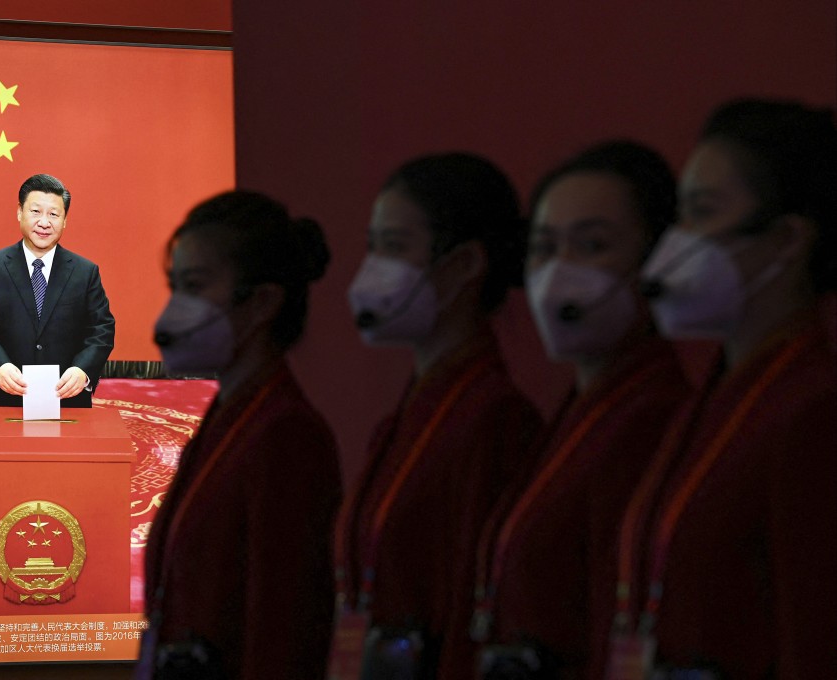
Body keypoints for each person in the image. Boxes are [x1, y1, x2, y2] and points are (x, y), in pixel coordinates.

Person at [604, 98, 837, 679]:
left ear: (787, 239)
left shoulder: (812, 407)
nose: (677, 244)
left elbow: (814, 637)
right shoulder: (711, 399)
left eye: (701, 213)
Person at [468, 141, 690, 680]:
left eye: (592, 246)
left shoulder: (651, 415)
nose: (559, 272)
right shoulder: (579, 410)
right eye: (544, 248)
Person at [330, 153, 542, 680]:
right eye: (374, 246)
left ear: (466, 264)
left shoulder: (492, 416)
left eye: (395, 248)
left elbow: (476, 605)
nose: (375, 267)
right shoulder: (409, 415)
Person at [140, 190, 342, 680]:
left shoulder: (284, 433)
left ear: (261, 303)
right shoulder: (232, 416)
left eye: (195, 286)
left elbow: (282, 626)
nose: (175, 311)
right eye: (175, 286)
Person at [0, 173, 115, 407]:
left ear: (64, 220)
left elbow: (102, 328)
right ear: (19, 213)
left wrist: (82, 370)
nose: (44, 222)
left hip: (68, 397)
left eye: (54, 214)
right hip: (9, 395)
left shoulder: (85, 272)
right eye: (36, 212)